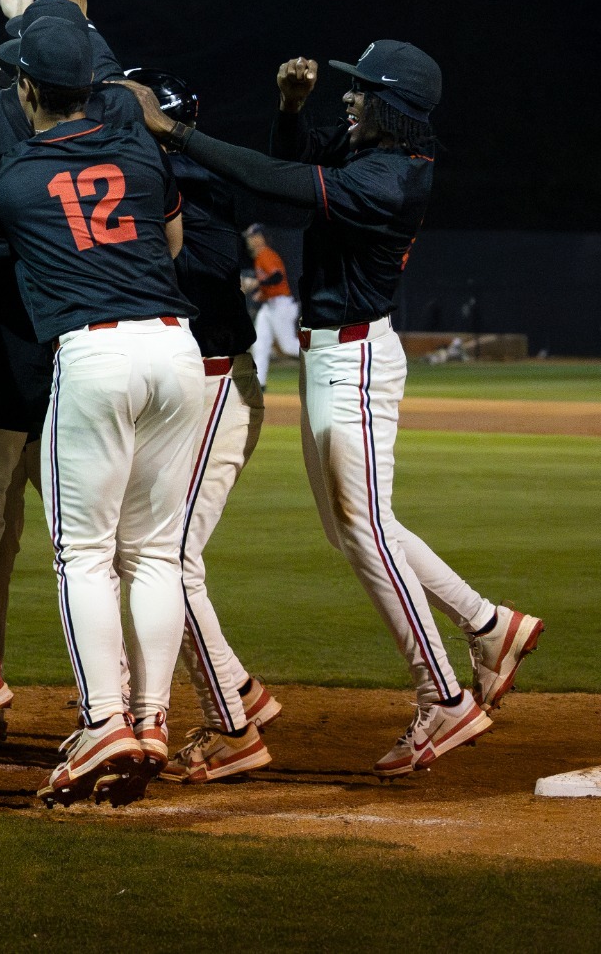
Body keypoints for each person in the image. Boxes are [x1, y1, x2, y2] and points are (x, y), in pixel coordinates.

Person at [118, 42, 544, 775]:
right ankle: (486, 623)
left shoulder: (389, 178)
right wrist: (289, 109)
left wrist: (178, 134)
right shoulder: (372, 154)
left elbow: (279, 180)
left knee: (367, 530)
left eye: (359, 92)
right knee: (354, 529)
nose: (347, 100)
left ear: (393, 107)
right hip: (331, 356)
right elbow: (292, 169)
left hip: (357, 358)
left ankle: (444, 697)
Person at [0, 15, 201, 808]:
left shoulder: (7, 175)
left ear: (28, 88)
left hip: (95, 350)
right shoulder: (141, 151)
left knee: (82, 552)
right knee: (152, 552)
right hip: (176, 346)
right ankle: (150, 718)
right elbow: (172, 242)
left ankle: (104, 717)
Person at [121, 69, 284, 783]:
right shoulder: (160, 179)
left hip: (218, 380)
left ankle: (234, 728)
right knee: (152, 551)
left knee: (171, 560)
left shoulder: (193, 187)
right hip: (197, 383)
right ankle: (238, 687)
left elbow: (207, 276)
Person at [246, 224, 300, 385]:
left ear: (261, 238)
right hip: (270, 305)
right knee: (260, 344)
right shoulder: (259, 257)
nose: (250, 240)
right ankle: (259, 384)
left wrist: (257, 283)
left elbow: (277, 277)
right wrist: (260, 293)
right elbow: (271, 285)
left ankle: (319, 355)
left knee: (289, 346)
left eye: (253, 236)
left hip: (281, 304)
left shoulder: (265, 254)